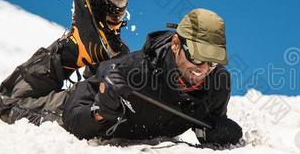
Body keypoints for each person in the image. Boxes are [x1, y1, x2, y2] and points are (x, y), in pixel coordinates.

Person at [61, 8, 242, 147]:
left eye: (212, 62)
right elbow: (70, 118)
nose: (203, 69)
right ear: (176, 44)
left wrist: (215, 131)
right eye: (196, 57)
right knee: (34, 101)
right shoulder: (131, 71)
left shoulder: (218, 82)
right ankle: (69, 49)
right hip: (67, 102)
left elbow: (208, 123)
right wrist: (101, 112)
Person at [0, 0, 130, 125]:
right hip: (126, 96)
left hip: (98, 107)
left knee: (10, 104)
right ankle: (105, 34)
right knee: (106, 81)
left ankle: (76, 47)